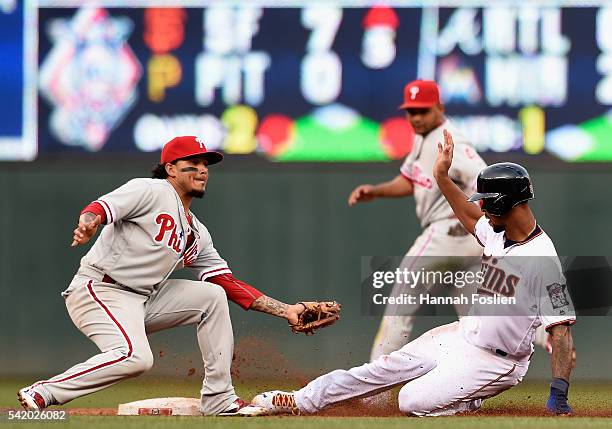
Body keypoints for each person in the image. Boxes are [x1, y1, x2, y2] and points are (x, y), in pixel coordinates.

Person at [239, 130, 576, 417]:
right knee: (379, 370)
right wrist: (442, 178)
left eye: (488, 200)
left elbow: (561, 335)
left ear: (506, 203)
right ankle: (300, 401)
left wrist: (559, 392)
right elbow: (470, 217)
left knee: (410, 401)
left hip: (496, 362)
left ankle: (467, 400)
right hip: (460, 336)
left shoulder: (542, 260)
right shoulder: (497, 233)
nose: (483, 207)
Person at [17, 136, 334, 416]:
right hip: (100, 289)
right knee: (136, 358)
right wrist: (88, 222)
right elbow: (101, 207)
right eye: (192, 163)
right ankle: (43, 392)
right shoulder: (151, 190)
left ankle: (219, 399)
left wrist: (286, 310)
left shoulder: (196, 232)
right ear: (170, 168)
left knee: (212, 296)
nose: (202, 169)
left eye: (205, 164)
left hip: (142, 298)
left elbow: (228, 283)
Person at [348, 80, 487, 360]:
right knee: (476, 324)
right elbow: (410, 180)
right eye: (411, 112)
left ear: (440, 108)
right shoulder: (423, 138)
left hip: (446, 237)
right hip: (469, 246)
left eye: (423, 111)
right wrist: (376, 191)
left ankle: (374, 388)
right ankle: (473, 393)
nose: (417, 117)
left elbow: (484, 177)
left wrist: (476, 216)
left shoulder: (451, 140)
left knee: (400, 306)